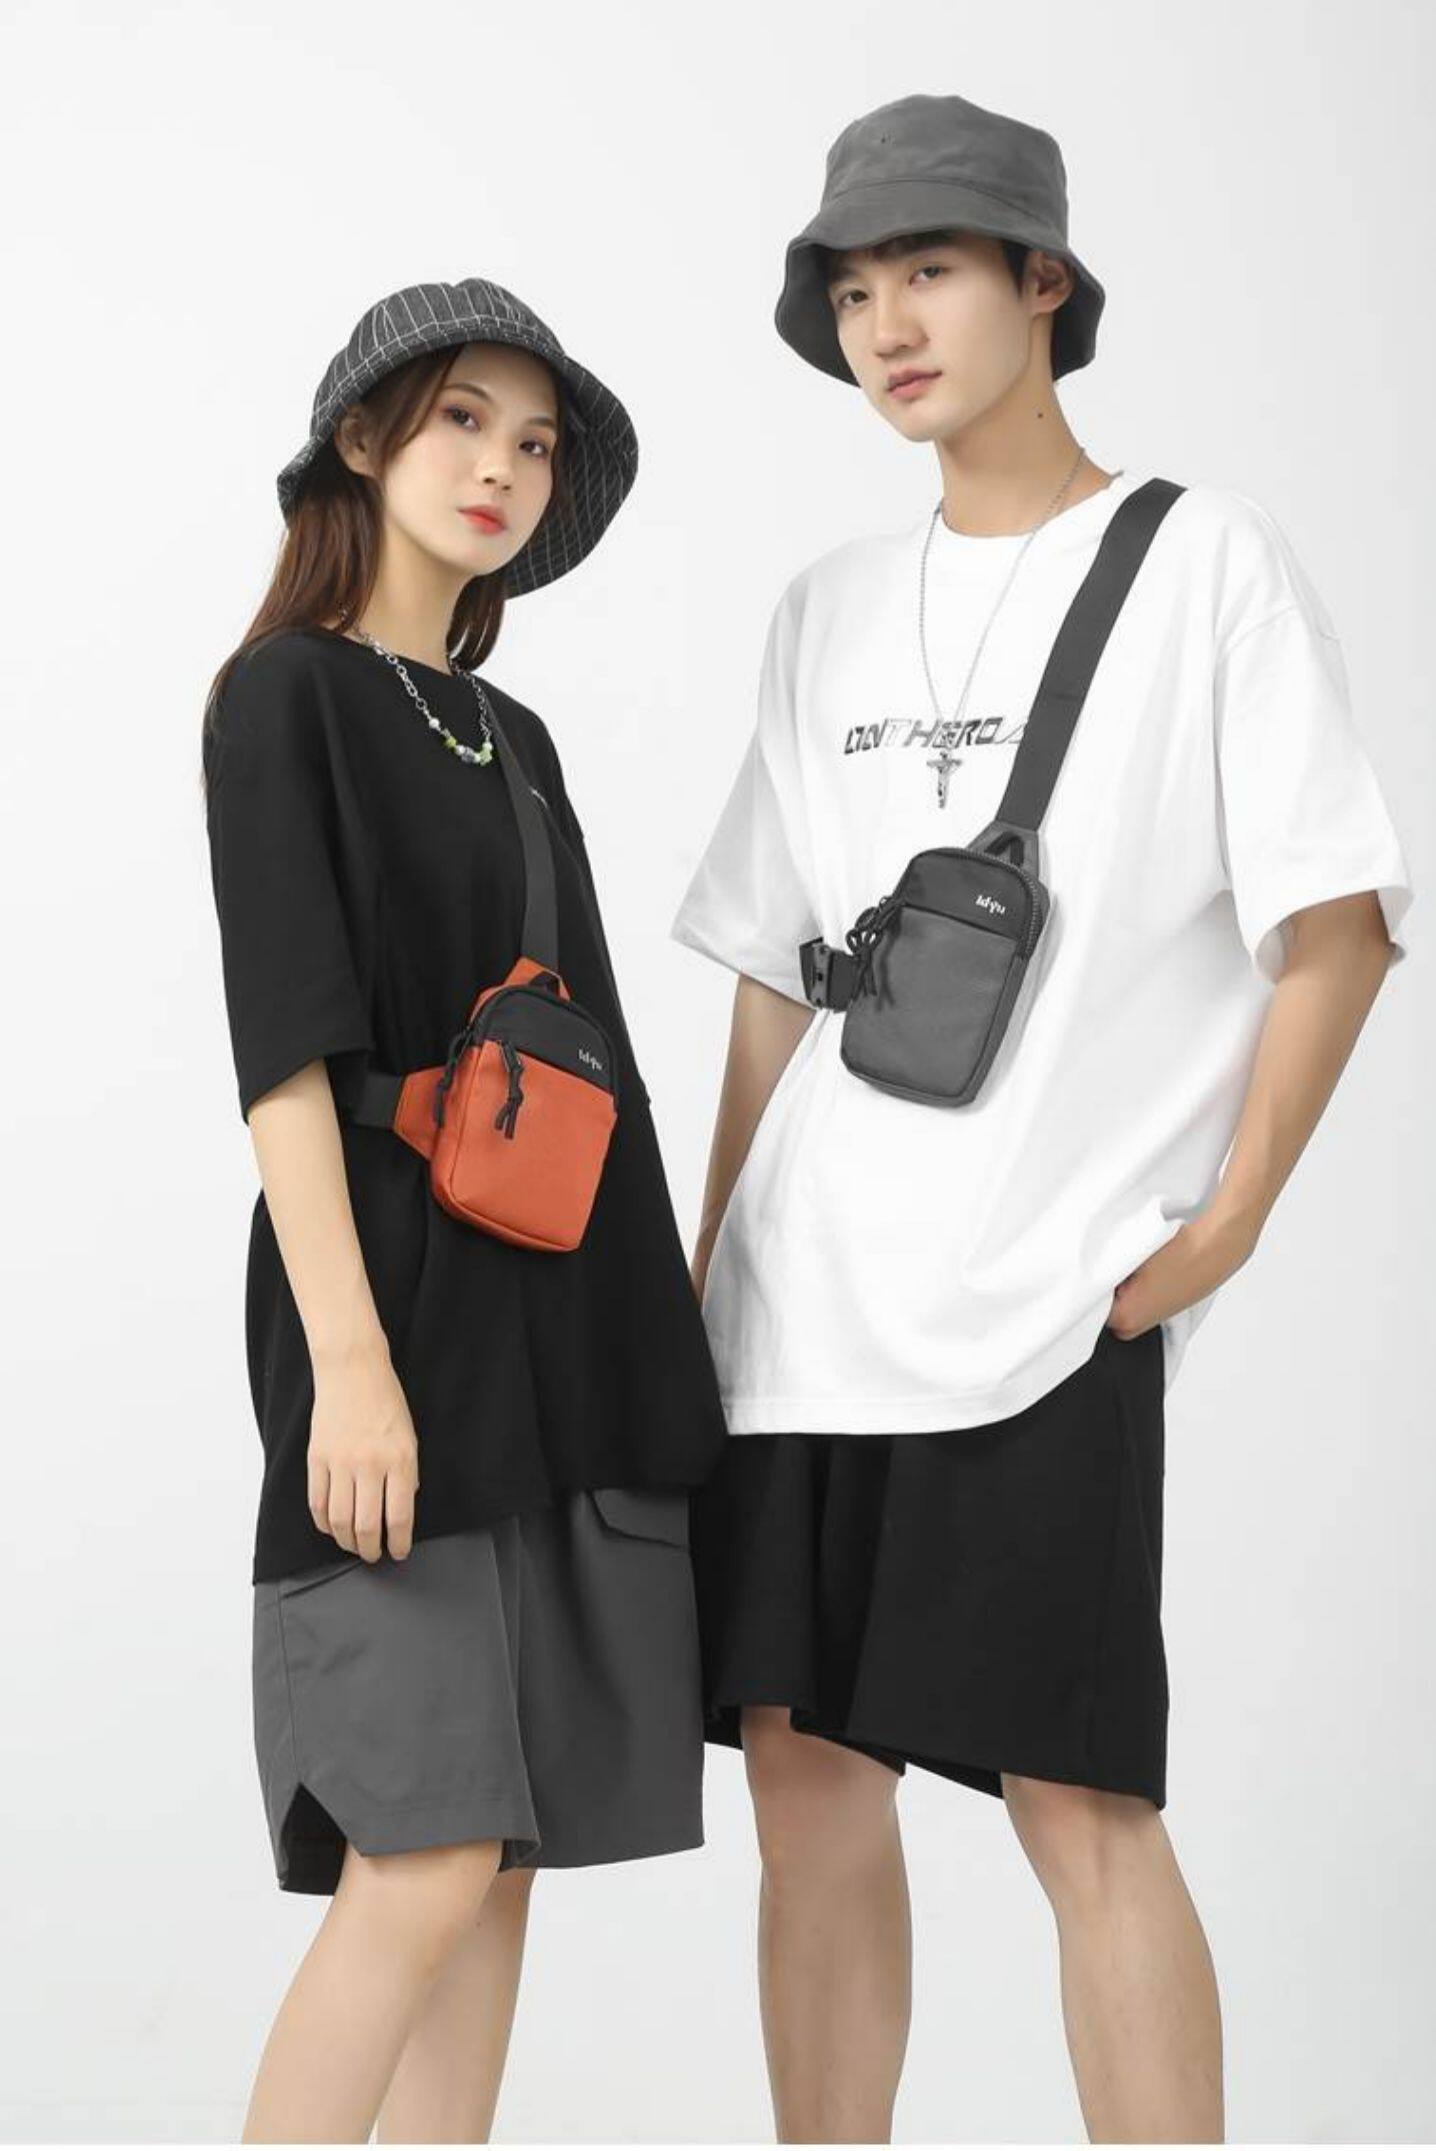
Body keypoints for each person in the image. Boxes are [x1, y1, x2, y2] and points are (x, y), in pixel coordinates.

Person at [668, 96, 1414, 2144]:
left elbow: (1337, 922)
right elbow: (771, 978)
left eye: (927, 271)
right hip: (797, 1312)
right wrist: (697, 1278)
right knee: (808, 1794)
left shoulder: (1202, 564)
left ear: (1042, 283)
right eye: (852, 290)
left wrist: (1229, 1220)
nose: (885, 324)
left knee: (1084, 1808)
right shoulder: (825, 607)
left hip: (1040, 1304)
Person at [202, 277, 726, 2143]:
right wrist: (349, 1369)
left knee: (497, 1864)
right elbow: (287, 1059)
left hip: (557, 1329)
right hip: (392, 1319)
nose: (502, 464)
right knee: (416, 1849)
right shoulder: (285, 696)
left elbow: (594, 1072)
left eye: (535, 441)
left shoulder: (516, 736)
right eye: (461, 420)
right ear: (365, 438)